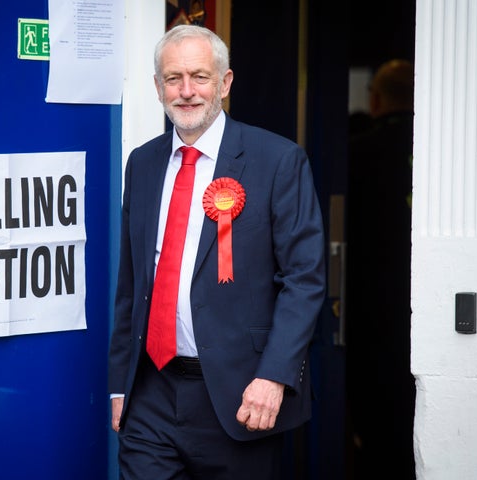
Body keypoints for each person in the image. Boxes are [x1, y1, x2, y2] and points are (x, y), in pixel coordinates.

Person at [107, 24, 325, 479]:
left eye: (200, 77)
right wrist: (119, 385)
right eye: (173, 79)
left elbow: (304, 280)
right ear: (157, 87)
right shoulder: (142, 164)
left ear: (224, 83)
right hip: (151, 394)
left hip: (241, 399)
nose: (186, 92)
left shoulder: (277, 160)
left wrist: (274, 376)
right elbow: (132, 282)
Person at [345, 59, 416, 479]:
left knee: (376, 415)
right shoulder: (439, 149)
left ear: (375, 100)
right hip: (424, 299)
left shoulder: (358, 150)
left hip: (368, 301)